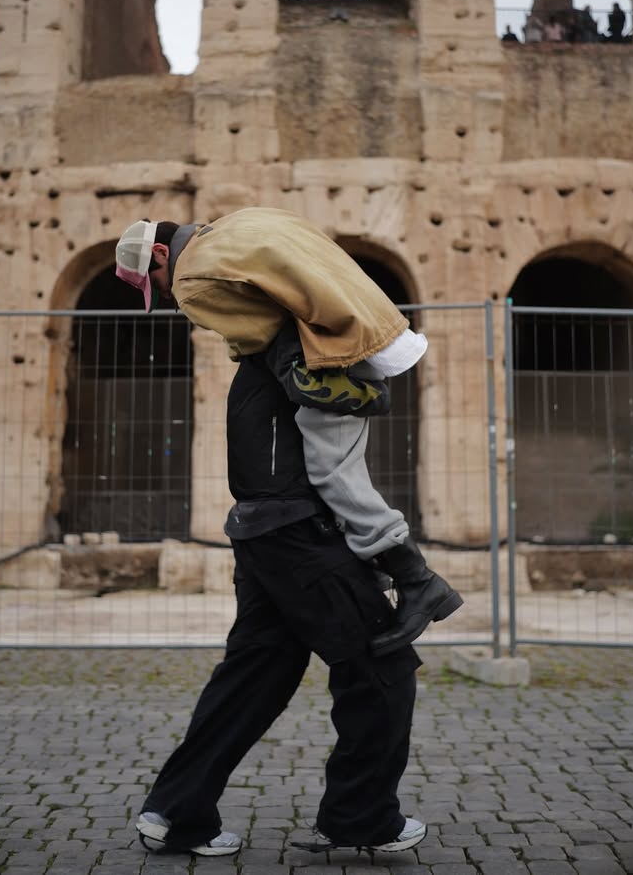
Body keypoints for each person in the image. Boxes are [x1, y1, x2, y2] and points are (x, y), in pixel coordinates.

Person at [114, 208, 463, 855]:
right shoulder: (305, 372)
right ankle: (362, 818)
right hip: (299, 536)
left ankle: (174, 811)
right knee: (382, 670)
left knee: (256, 676)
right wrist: (406, 564)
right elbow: (335, 475)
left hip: (265, 535)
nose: (173, 302)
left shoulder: (265, 366)